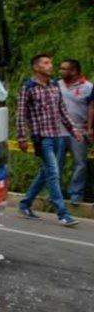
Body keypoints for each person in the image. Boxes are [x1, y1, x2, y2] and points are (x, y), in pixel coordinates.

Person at [18, 54, 81, 226]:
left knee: (46, 173)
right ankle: (63, 214)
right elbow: (21, 114)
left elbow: (63, 111)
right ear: (36, 67)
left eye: (50, 63)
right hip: (42, 138)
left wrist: (73, 129)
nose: (50, 66)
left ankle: (25, 203)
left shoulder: (54, 85)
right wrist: (22, 137)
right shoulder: (28, 87)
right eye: (46, 63)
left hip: (57, 136)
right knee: (53, 173)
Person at [57, 60, 93, 206]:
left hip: (79, 131)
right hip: (58, 131)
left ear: (74, 71)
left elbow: (92, 108)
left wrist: (90, 128)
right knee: (55, 163)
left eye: (64, 69)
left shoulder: (88, 87)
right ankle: (56, 193)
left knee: (80, 163)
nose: (61, 71)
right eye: (60, 68)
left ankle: (76, 193)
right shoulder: (56, 85)